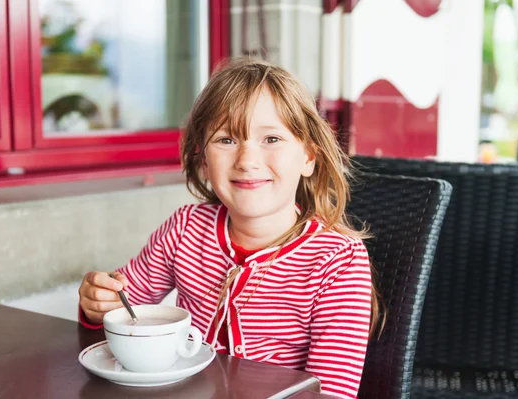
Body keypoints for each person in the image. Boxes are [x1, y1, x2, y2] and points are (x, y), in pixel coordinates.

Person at [78, 58, 374, 399]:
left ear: (308, 157)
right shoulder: (184, 228)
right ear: (203, 160)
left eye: (272, 139)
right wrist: (98, 303)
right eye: (226, 140)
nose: (247, 160)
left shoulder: (337, 262)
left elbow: (330, 393)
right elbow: (124, 312)